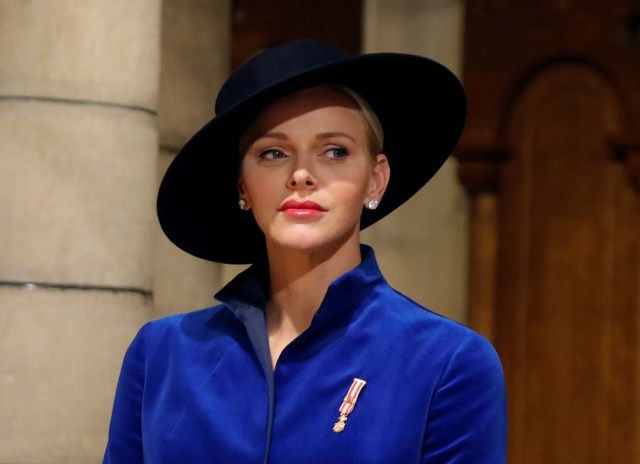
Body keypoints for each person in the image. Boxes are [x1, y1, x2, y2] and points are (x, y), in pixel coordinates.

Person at [103, 39, 507, 463]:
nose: (301, 175)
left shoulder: (446, 362)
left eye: (334, 151)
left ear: (375, 179)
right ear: (243, 186)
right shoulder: (162, 354)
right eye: (273, 153)